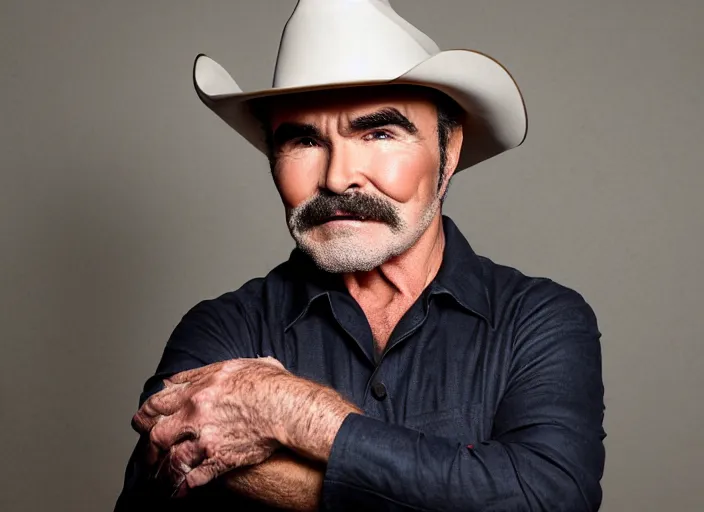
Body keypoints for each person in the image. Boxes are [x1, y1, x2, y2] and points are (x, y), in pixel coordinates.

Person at [115, 1, 605, 510]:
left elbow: (551, 500)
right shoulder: (224, 329)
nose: (336, 177)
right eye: (304, 139)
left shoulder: (540, 321)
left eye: (377, 133)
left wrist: (295, 411)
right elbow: (166, 481)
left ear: (449, 148)